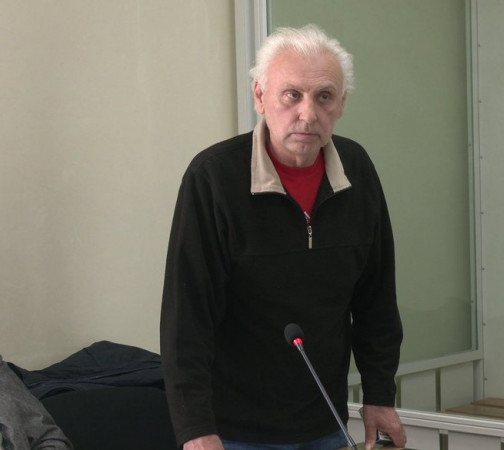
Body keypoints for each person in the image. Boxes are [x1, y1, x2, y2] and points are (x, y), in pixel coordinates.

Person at [160, 24, 406, 450]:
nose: (308, 114)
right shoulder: (213, 178)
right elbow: (186, 318)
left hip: (325, 420)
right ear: (260, 96)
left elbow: (376, 299)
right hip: (233, 429)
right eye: (292, 95)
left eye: (324, 97)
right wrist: (195, 429)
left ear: (342, 104)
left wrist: (379, 395)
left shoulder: (357, 171)